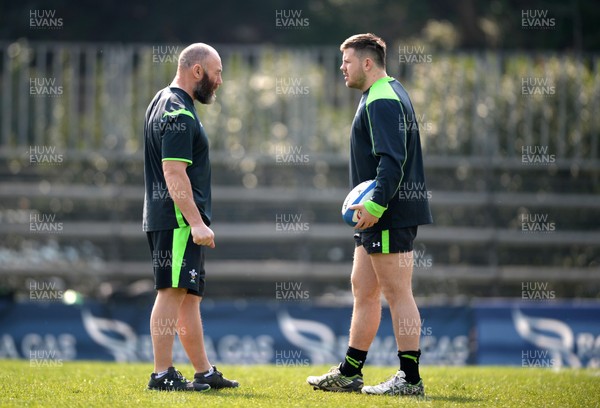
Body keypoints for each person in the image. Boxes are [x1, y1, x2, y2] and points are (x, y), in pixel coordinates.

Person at [307, 33, 433, 396]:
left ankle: (410, 379)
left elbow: (392, 161)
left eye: (346, 61)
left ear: (366, 62)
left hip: (388, 213)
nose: (341, 68)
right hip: (377, 215)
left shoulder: (382, 99)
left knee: (397, 292)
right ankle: (350, 371)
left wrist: (376, 205)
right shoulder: (382, 93)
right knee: (363, 288)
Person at [143, 43, 238, 391]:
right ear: (197, 71)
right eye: (217, 72)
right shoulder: (179, 112)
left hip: (171, 217)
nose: (220, 81)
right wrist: (196, 221)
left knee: (188, 295)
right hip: (179, 220)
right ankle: (162, 373)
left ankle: (203, 371)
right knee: (171, 291)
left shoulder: (161, 101)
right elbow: (174, 173)